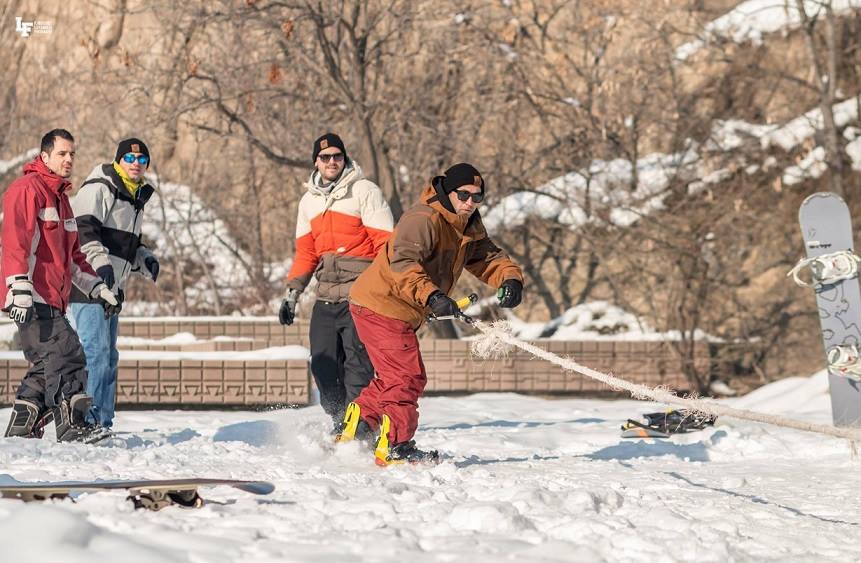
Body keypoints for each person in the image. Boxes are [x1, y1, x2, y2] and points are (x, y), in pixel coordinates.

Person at [338, 162, 524, 466]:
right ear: (448, 191)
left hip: (398, 307)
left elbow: (486, 257)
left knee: (397, 375)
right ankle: (395, 446)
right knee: (406, 376)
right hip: (382, 303)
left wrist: (510, 279)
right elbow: (402, 263)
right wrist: (433, 295)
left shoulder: (467, 223)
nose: (470, 203)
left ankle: (359, 424)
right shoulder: (422, 218)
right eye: (464, 195)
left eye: (477, 197)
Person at [2, 129, 120, 442]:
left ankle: (21, 428)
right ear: (44, 157)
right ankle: (72, 427)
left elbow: (74, 257)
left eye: (72, 154)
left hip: (53, 298)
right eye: (61, 154)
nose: (68, 160)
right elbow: (15, 241)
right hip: (29, 295)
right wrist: (19, 288)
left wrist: (97, 287)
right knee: (69, 354)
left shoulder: (62, 199)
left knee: (45, 364)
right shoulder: (26, 189)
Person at [279, 133, 394, 430]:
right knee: (322, 363)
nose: (332, 162)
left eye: (337, 156)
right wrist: (292, 293)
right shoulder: (309, 202)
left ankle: (361, 427)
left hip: (361, 293)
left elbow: (386, 244)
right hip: (326, 293)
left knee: (358, 365)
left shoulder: (364, 191)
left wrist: (384, 289)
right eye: (325, 157)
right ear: (316, 162)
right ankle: (341, 420)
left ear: (345, 159)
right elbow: (306, 252)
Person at [70, 137, 159, 428]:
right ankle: (89, 421)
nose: (136, 164)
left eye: (142, 160)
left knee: (109, 356)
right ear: (119, 160)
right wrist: (101, 265)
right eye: (130, 159)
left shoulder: (135, 196)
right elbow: (82, 230)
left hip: (113, 288)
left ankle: (104, 421)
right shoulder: (101, 186)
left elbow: (125, 245)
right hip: (89, 283)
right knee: (95, 352)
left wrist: (143, 258)